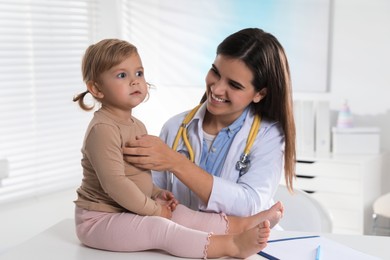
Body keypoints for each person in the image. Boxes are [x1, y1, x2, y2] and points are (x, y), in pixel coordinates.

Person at [72, 38, 283, 259]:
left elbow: (139, 178)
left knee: (180, 212)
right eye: (122, 75)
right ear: (96, 88)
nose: (135, 82)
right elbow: (116, 184)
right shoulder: (105, 130)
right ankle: (231, 245)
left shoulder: (137, 126)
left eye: (139, 73)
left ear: (260, 93)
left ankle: (243, 224)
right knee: (161, 226)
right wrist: (155, 208)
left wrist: (158, 194)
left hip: (126, 212)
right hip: (100, 218)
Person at [123, 28, 296, 217]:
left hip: (246, 243)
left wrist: (177, 163)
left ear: (259, 94)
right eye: (215, 72)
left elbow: (250, 204)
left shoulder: (268, 135)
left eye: (234, 85)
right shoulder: (175, 127)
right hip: (182, 239)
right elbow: (152, 196)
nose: (217, 88)